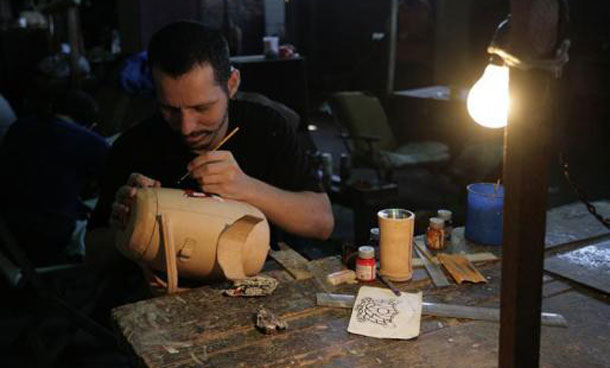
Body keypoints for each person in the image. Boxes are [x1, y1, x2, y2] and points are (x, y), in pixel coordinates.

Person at [86, 21, 334, 266]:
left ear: (232, 84)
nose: (186, 127)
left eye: (201, 108)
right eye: (170, 109)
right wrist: (127, 228)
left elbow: (322, 222)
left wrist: (246, 188)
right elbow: (93, 251)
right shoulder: (133, 145)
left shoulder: (266, 126)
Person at [0, 90, 109, 266]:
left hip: (6, 225)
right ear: (91, 125)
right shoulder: (91, 143)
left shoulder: (20, 125)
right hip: (47, 236)